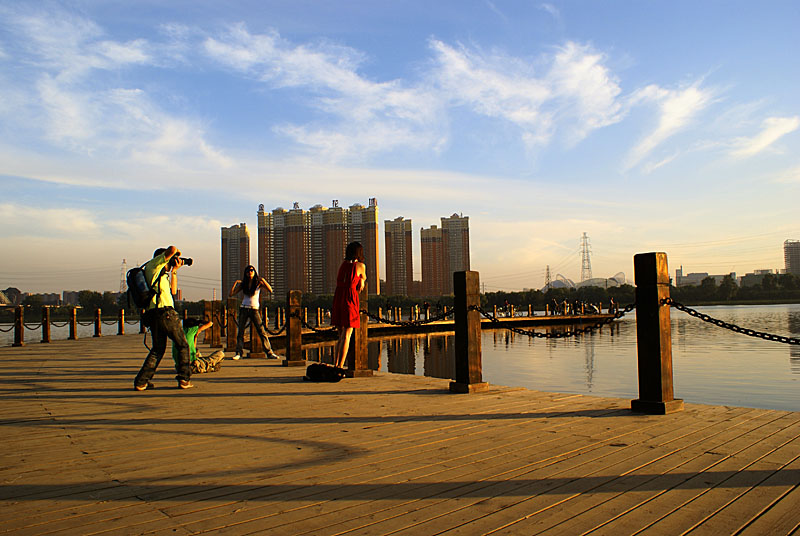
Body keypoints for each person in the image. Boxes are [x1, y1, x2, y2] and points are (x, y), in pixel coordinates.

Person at [134, 246, 193, 390]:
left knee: (158, 349)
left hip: (155, 314)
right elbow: (172, 249)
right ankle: (184, 379)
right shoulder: (154, 264)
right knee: (183, 345)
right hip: (165, 313)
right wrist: (177, 254)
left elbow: (173, 291)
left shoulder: (160, 274)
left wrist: (175, 271)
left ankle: (142, 381)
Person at [230, 265, 280, 360]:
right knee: (240, 332)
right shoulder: (243, 284)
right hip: (244, 308)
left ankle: (269, 352)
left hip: (254, 309)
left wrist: (264, 280)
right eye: (248, 271)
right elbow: (231, 294)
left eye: (252, 270)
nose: (250, 272)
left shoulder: (258, 283)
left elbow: (270, 290)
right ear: (245, 273)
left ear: (254, 272)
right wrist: (236, 283)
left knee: (261, 331)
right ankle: (238, 353)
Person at [331, 242, 367, 368]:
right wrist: (362, 280)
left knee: (340, 335)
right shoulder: (360, 266)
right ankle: (340, 366)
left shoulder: (343, 265)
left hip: (338, 297)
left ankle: (335, 363)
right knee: (347, 335)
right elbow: (363, 277)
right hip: (350, 299)